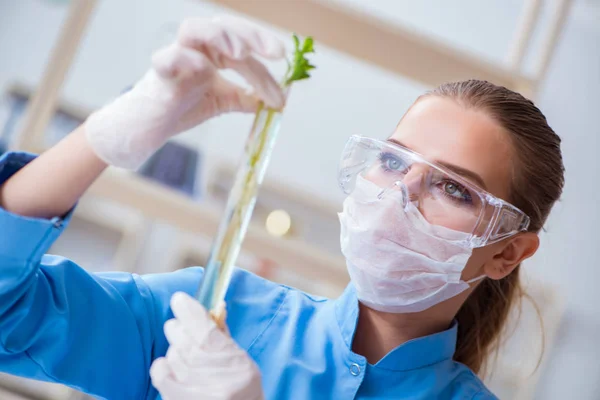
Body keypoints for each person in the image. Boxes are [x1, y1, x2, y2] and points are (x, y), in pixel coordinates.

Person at [0, 15, 564, 400]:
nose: (400, 195)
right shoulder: (218, 314)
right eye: (393, 162)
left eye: (454, 189)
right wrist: (101, 139)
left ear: (507, 252)